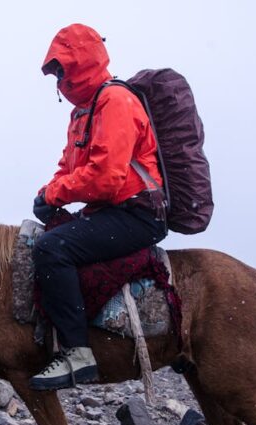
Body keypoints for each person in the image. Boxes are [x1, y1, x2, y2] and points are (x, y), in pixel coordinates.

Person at [29, 24, 167, 391]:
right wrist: (48, 193)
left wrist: (57, 194)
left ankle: (78, 353)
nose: (58, 78)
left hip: (138, 215)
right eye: (55, 71)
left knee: (51, 248)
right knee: (48, 236)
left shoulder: (115, 101)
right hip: (112, 212)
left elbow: (105, 176)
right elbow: (69, 167)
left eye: (62, 68)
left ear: (82, 62)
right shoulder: (82, 114)